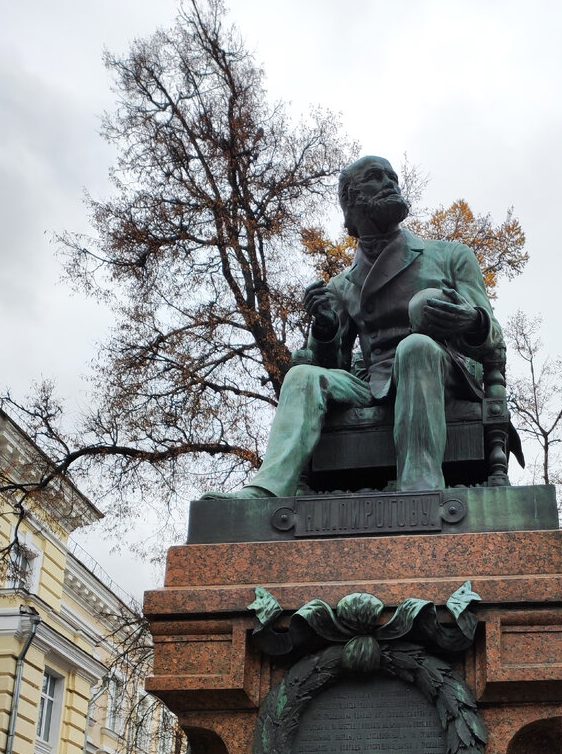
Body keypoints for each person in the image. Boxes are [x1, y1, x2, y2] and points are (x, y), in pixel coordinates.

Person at [205, 155, 504, 498]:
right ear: (350, 198)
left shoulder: (450, 256)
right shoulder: (341, 285)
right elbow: (330, 367)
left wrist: (472, 320)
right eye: (376, 177)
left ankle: (419, 490)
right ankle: (268, 490)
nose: (391, 183)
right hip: (375, 382)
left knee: (415, 347)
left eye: (393, 177)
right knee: (301, 376)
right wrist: (326, 329)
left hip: (439, 370)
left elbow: (493, 337)